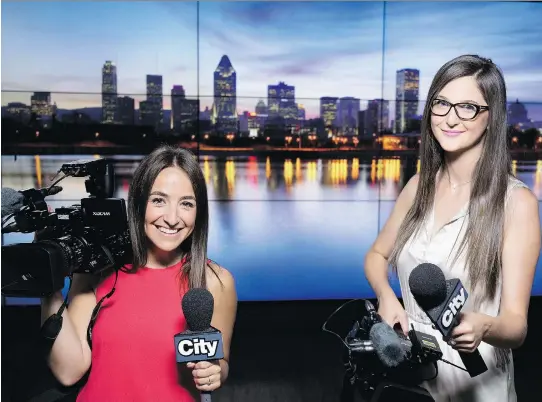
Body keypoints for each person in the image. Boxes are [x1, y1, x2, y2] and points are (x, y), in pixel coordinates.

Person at [364, 54, 540, 402]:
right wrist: (387, 297)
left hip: (475, 378)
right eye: (441, 103)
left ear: (492, 117)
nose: (450, 118)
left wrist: (484, 326)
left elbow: (517, 326)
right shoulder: (417, 187)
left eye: (468, 107)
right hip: (411, 368)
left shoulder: (516, 203)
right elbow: (376, 254)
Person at [40, 145, 238, 401]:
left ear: (199, 212)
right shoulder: (98, 270)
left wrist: (215, 373)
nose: (172, 218)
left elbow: (220, 364)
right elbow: (68, 372)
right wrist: (48, 285)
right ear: (139, 203)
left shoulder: (216, 281)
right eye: (158, 200)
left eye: (186, 204)